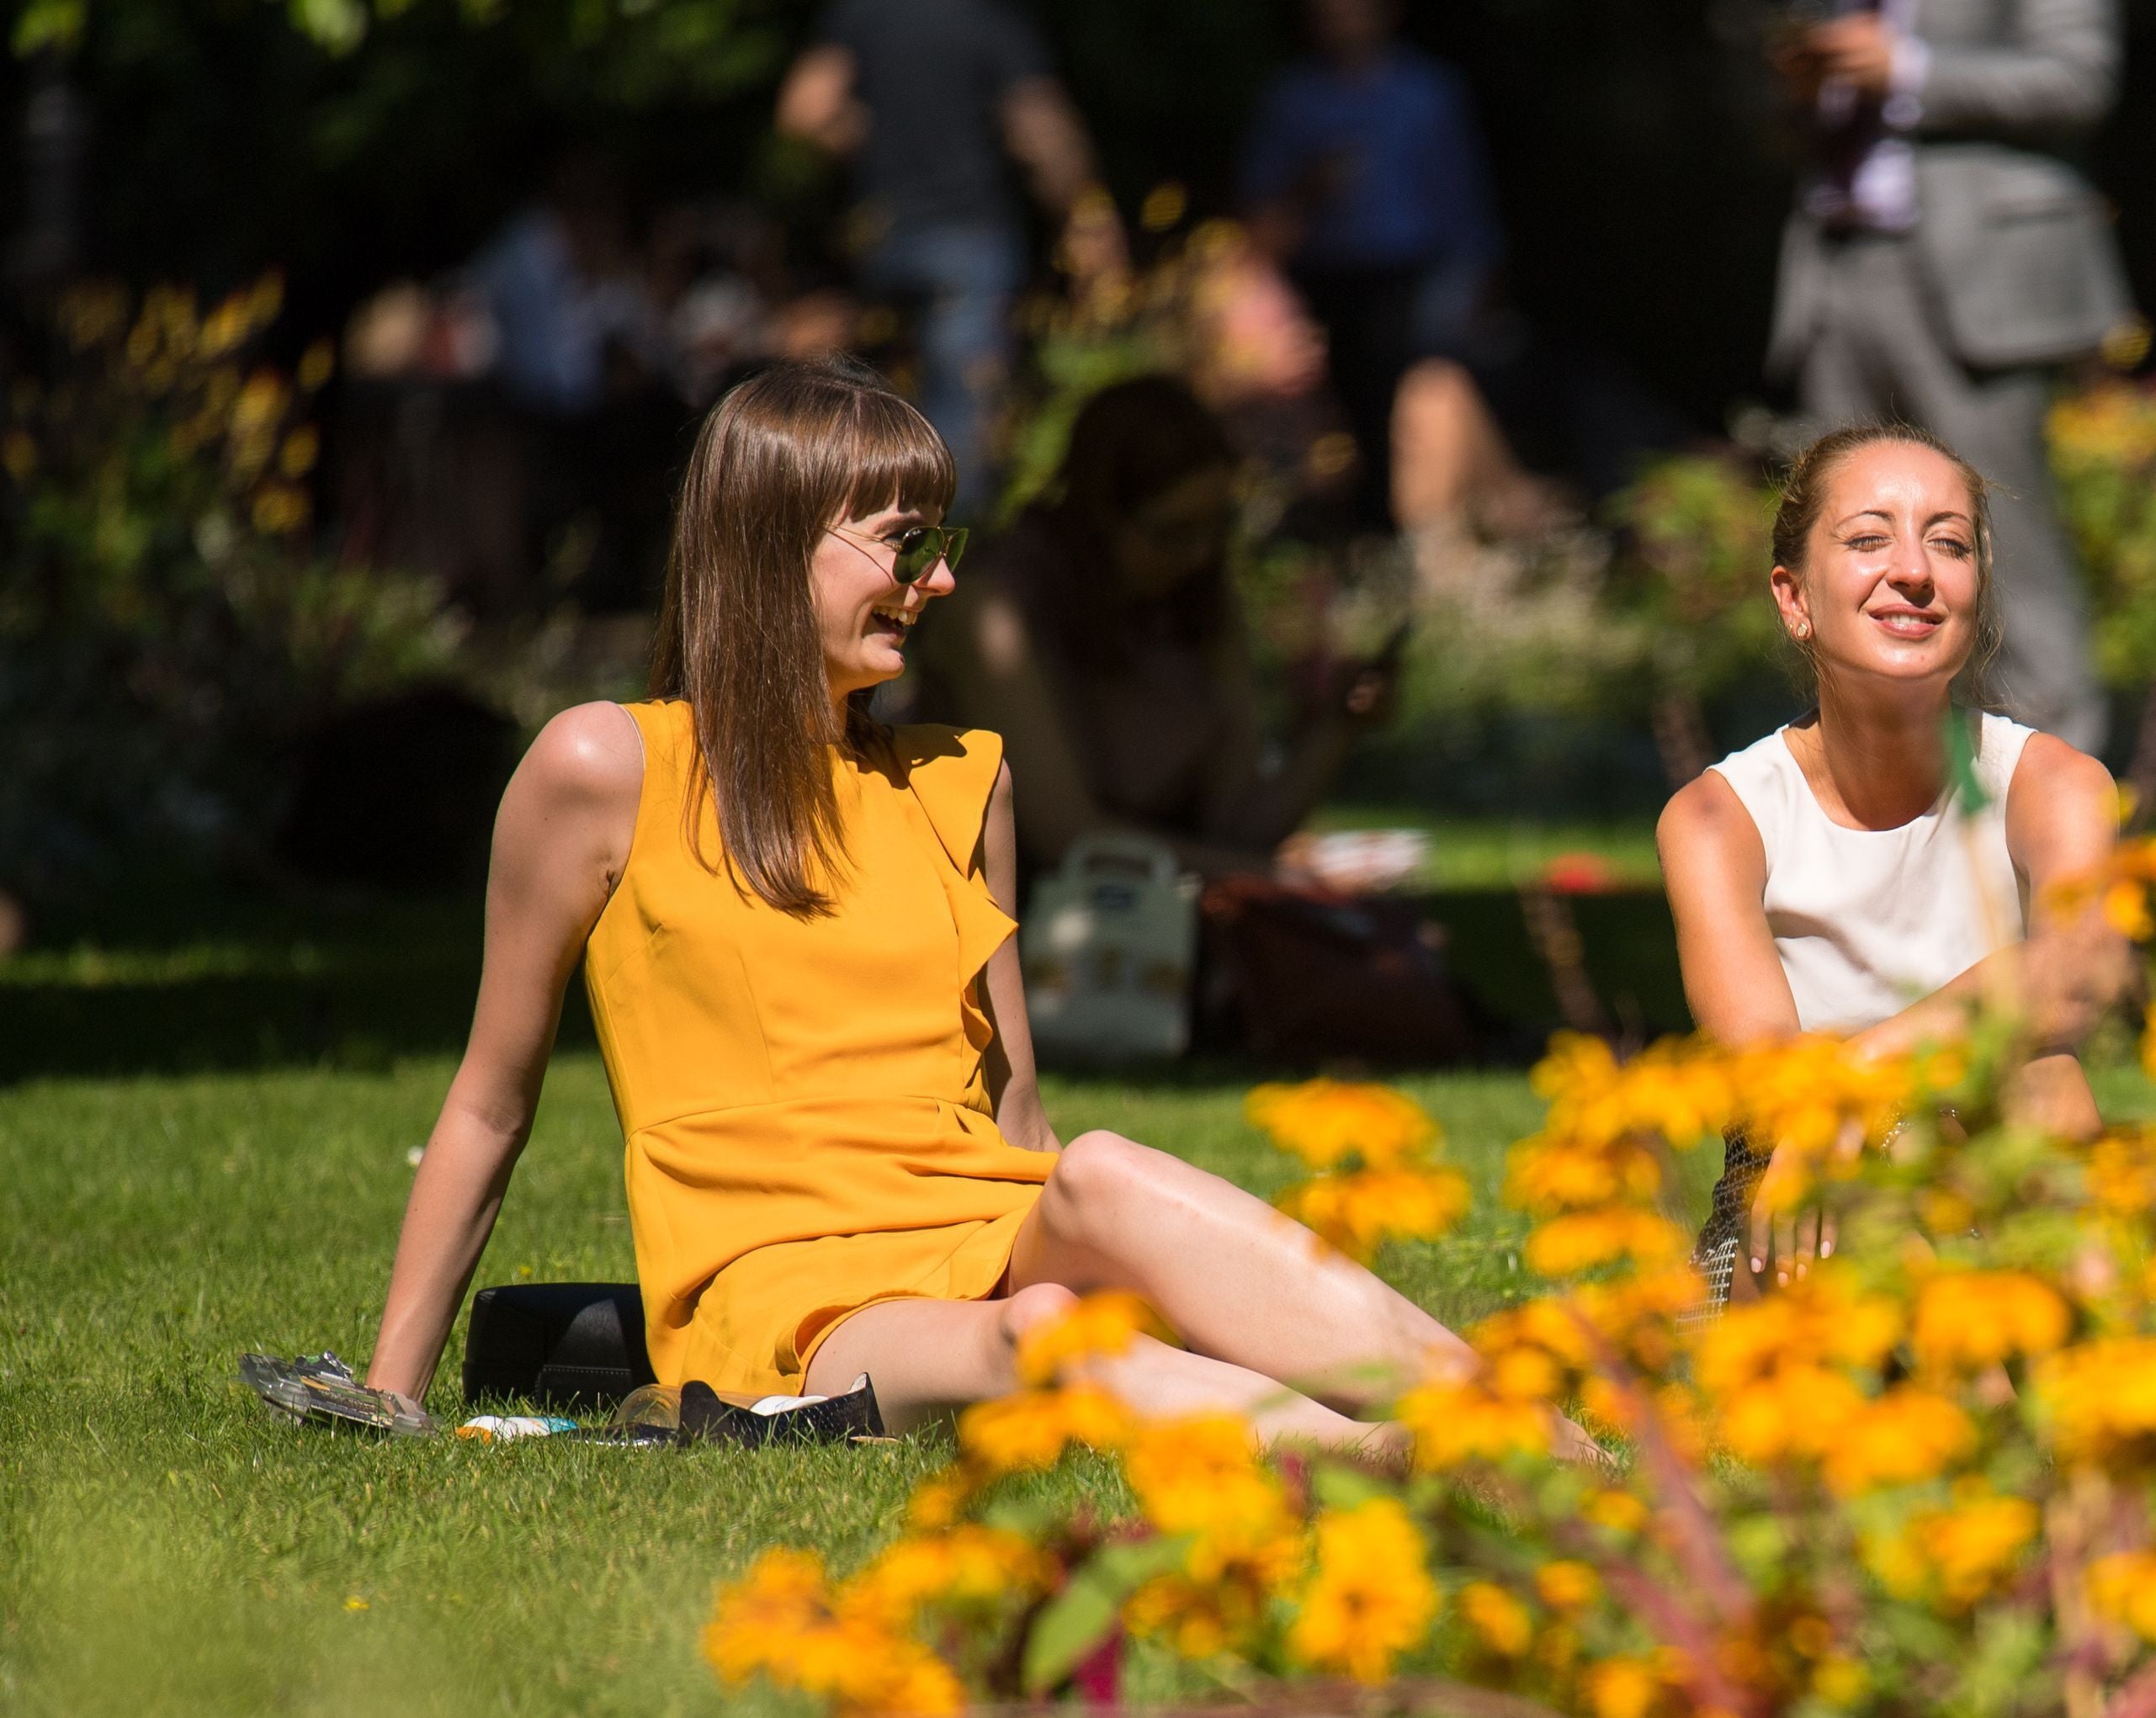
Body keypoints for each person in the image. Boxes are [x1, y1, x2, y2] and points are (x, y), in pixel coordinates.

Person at [360, 358, 1468, 1449]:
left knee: (1106, 1171)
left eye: (942, 544)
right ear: (771, 544)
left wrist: (1112, 1249)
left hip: (980, 1221)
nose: (938, 583)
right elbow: (490, 1104)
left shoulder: (959, 780)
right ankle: (1422, 1459)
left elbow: (1019, 1115)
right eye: (906, 544)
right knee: (1036, 1332)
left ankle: (1529, 1428)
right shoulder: (608, 767)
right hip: (790, 1298)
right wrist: (390, 1393)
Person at [1657, 423, 2126, 1291]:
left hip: (2004, 1204)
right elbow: (1766, 1080)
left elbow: (2077, 972)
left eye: (1946, 543)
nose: (1913, 569)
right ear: (1793, 599)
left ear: (1974, 596)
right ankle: (2006, 1395)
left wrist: (1865, 1073)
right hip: (1803, 1216)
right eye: (1868, 538)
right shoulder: (1720, 818)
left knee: (2041, 1077)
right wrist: (1868, 1110)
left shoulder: (2055, 786)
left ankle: (2096, 1377)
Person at [1767, 0, 2131, 756]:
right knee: (1841, 545)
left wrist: (1908, 70)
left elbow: (2079, 78)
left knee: (2004, 545)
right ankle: (1875, 799)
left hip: (1979, 283)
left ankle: (2057, 821)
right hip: (1832, 262)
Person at [937, 374, 1394, 879]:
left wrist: (1338, 725)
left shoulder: (1196, 599)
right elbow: (1065, 838)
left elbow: (1239, 825)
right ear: (1100, 515)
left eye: (1217, 529)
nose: (1199, 555)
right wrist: (1268, 878)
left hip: (1156, 924)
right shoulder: (993, 609)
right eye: (1173, 533)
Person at [778, 0, 1126, 518]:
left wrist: (862, 144)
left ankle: (857, 533)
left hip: (884, 239)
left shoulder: (863, 15)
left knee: (878, 402)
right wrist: (1085, 214)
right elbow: (1040, 132)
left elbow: (805, 110)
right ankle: (945, 552)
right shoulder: (994, 21)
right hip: (970, 236)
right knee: (965, 410)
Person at [1240, 0, 1500, 530]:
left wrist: (1474, 281)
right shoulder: (1295, 100)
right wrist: (1309, 188)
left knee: (1417, 409)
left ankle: (1416, 536)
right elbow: (1257, 224)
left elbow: (1464, 202)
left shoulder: (1427, 93)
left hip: (1411, 282)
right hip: (1323, 287)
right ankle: (1357, 539)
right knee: (1339, 426)